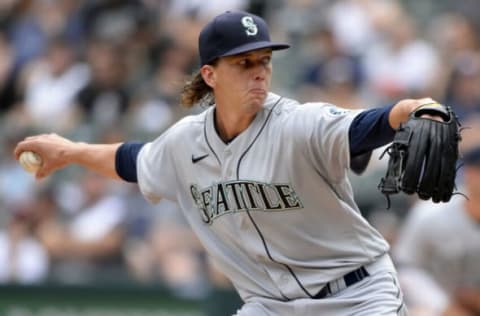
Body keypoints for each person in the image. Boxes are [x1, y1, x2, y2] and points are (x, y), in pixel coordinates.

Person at [14, 10, 449, 316]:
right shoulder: (186, 143)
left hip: (357, 295)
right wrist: (70, 151)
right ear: (210, 74)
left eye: (264, 61)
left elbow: (373, 123)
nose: (259, 72)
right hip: (270, 306)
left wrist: (422, 108)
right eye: (244, 63)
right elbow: (132, 160)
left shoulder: (298, 123)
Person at [393, 123, 480, 316]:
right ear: (469, 173)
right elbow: (405, 268)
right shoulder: (431, 214)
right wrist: (444, 307)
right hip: (434, 304)